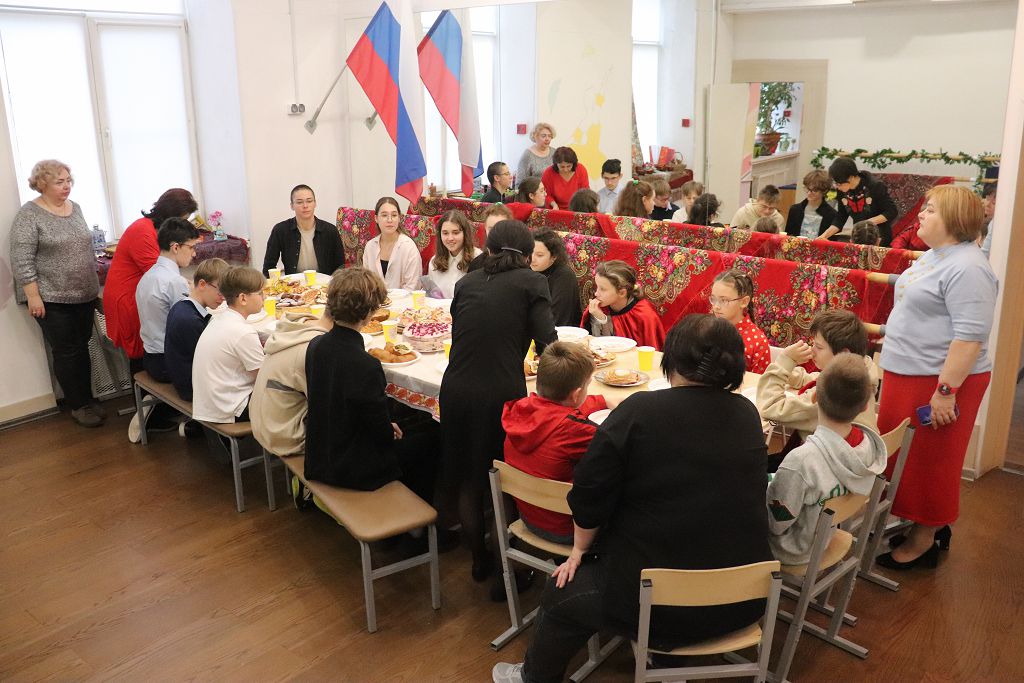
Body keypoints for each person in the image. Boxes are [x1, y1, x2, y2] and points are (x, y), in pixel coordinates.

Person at [492, 315, 773, 683]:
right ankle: (663, 658)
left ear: (671, 360)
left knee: (560, 594)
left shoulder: (640, 410)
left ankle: (534, 678)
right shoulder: (747, 414)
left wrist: (578, 550)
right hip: (744, 597)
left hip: (654, 603)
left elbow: (588, 494)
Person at [875, 185, 997, 570]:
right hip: (910, 374)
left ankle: (925, 537)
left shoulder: (969, 267)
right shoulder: (937, 255)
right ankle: (923, 522)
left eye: (930, 210)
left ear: (954, 219)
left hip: (938, 382)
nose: (921, 215)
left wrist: (946, 391)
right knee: (906, 457)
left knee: (931, 461)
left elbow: (969, 338)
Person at [439, 220, 557, 581]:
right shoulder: (532, 282)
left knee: (469, 478)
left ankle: (479, 562)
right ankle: (509, 569)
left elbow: (463, 331)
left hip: (456, 386)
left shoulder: (467, 282)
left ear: (488, 249)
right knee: (503, 477)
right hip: (499, 391)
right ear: (527, 255)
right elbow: (549, 346)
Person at [303, 267, 438, 503]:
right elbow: (379, 432)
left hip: (320, 455)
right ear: (368, 314)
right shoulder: (365, 364)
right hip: (354, 467)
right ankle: (414, 517)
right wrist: (387, 427)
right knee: (432, 440)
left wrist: (386, 425)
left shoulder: (316, 345)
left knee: (411, 430)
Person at [766, 353, 887, 565]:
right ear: (865, 407)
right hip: (823, 536)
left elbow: (776, 523)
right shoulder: (869, 446)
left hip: (790, 548)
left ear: (814, 398)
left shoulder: (802, 461)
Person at [9, 159, 103, 428]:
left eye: (68, 180)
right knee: (66, 351)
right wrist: (33, 295)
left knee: (83, 346)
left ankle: (87, 399)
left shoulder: (76, 208)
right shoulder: (29, 215)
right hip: (51, 297)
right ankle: (78, 405)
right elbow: (21, 258)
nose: (66, 186)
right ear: (42, 184)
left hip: (83, 293)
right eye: (59, 182)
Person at [502, 342, 611, 545]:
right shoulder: (575, 431)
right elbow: (616, 444)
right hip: (569, 528)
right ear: (576, 394)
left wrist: (602, 400)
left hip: (529, 517)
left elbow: (558, 411)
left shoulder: (518, 409)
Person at [104, 188, 198, 368]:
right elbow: (164, 274)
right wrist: (195, 290)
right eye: (184, 219)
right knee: (142, 354)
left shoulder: (148, 228)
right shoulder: (143, 231)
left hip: (140, 293)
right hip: (128, 298)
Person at [757, 308, 878, 441]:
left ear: (843, 354)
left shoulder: (834, 396)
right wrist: (788, 372)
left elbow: (769, 407)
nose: (812, 350)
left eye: (819, 347)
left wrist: (785, 362)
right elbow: (816, 379)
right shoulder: (859, 371)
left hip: (826, 453)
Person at [191, 266, 266, 424]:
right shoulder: (243, 332)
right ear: (243, 298)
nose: (264, 297)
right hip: (230, 408)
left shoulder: (218, 318)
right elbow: (264, 377)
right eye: (260, 293)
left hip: (211, 403)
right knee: (293, 393)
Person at [135, 218, 201, 382]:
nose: (194, 253)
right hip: (168, 362)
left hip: (150, 357)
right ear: (176, 247)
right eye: (191, 247)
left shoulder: (149, 275)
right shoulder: (174, 281)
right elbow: (187, 327)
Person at [164, 258, 229, 402]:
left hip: (189, 379)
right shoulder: (190, 321)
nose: (223, 299)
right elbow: (212, 363)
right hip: (194, 388)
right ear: (202, 284)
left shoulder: (181, 306)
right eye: (220, 292)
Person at [262, 184, 345, 276]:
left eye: (309, 201)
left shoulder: (330, 230)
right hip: (293, 283)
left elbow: (340, 266)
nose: (305, 206)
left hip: (324, 282)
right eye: (299, 202)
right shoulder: (280, 230)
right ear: (292, 206)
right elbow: (268, 266)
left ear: (315, 203)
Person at [580, 260, 665, 349]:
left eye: (603, 289)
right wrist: (600, 320)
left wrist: (604, 322)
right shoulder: (598, 308)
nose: (596, 293)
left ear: (622, 293)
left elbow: (651, 351)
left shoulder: (644, 314)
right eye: (597, 287)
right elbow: (597, 348)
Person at [824, 158, 898, 245]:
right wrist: (824, 236)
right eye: (835, 183)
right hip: (858, 237)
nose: (837, 187)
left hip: (877, 237)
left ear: (851, 177)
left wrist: (865, 224)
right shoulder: (842, 189)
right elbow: (841, 217)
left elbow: (892, 211)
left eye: (839, 184)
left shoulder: (875, 186)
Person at [710, 270, 769, 374]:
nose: (716, 306)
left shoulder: (758, 342)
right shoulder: (706, 329)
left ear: (744, 302)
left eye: (724, 300)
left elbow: (761, 382)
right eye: (713, 299)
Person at [361, 196, 422, 291]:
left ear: (399, 218)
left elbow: (413, 286)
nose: (390, 220)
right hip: (375, 299)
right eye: (384, 215)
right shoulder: (370, 246)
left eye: (394, 215)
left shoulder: (408, 247)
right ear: (376, 218)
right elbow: (366, 283)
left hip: (405, 300)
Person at [531, 230, 583, 327]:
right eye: (530, 252)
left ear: (554, 256)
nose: (532, 259)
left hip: (559, 331)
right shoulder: (527, 269)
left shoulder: (564, 277)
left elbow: (559, 318)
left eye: (539, 255)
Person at [427, 210, 480, 298]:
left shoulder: (478, 258)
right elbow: (432, 297)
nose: (450, 238)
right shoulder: (434, 262)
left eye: (455, 233)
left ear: (465, 233)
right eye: (445, 233)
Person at [785, 170, 837, 239]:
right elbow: (788, 236)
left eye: (814, 190)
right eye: (808, 189)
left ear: (824, 191)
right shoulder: (795, 210)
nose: (809, 193)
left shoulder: (832, 214)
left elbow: (831, 242)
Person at [468, 203, 515, 273]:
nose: (496, 233)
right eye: (491, 229)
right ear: (485, 229)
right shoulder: (476, 265)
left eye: (501, 228)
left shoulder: (518, 262)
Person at [980, 182, 997, 259]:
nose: (987, 204)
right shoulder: (991, 221)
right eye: (987, 199)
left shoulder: (995, 224)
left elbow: (984, 255)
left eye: (993, 203)